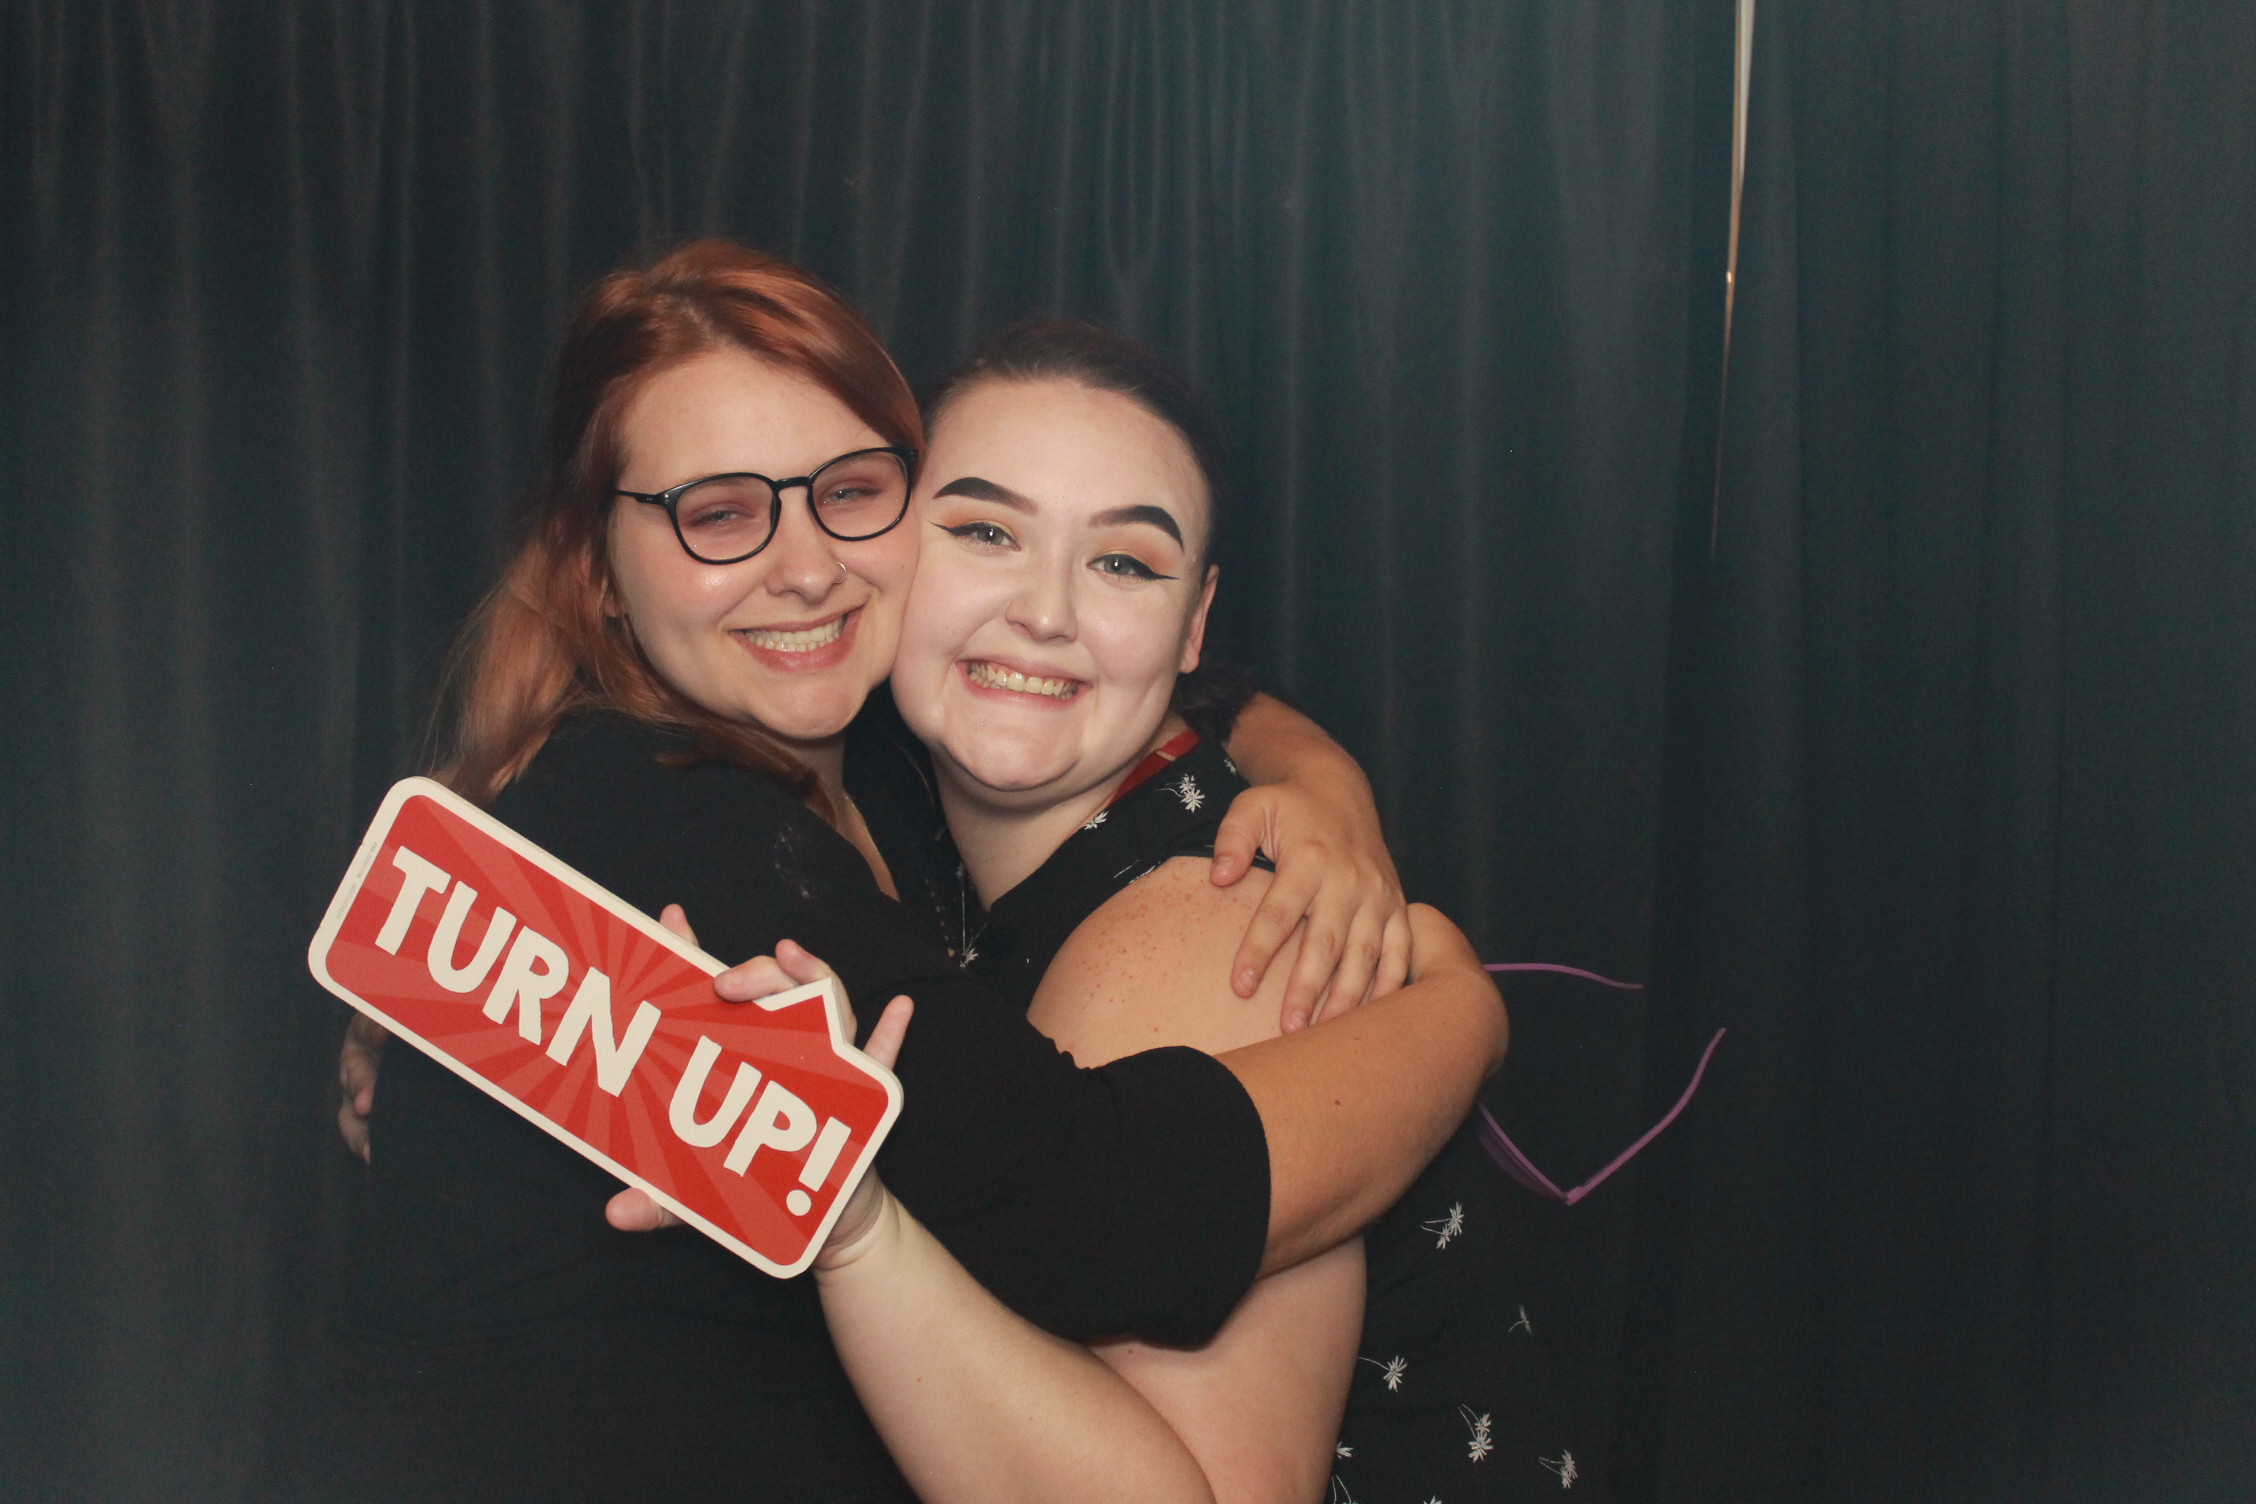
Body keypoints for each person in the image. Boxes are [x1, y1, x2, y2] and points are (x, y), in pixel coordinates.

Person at [276, 240, 1504, 1503]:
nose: (806, 566)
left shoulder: (872, 774)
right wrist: (1462, 1012)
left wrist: (1320, 783)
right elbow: (1114, 1216)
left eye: (849, 491)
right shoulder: (684, 828)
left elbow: (1142, 680)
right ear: (598, 570)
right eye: (719, 513)